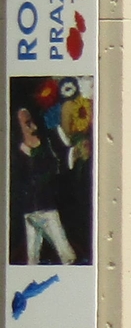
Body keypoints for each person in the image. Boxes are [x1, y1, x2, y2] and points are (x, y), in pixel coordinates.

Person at [13, 105, 75, 264]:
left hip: (47, 207)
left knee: (66, 254)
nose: (31, 125)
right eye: (26, 123)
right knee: (32, 258)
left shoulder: (47, 142)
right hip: (29, 212)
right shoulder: (18, 153)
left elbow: (60, 165)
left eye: (30, 121)